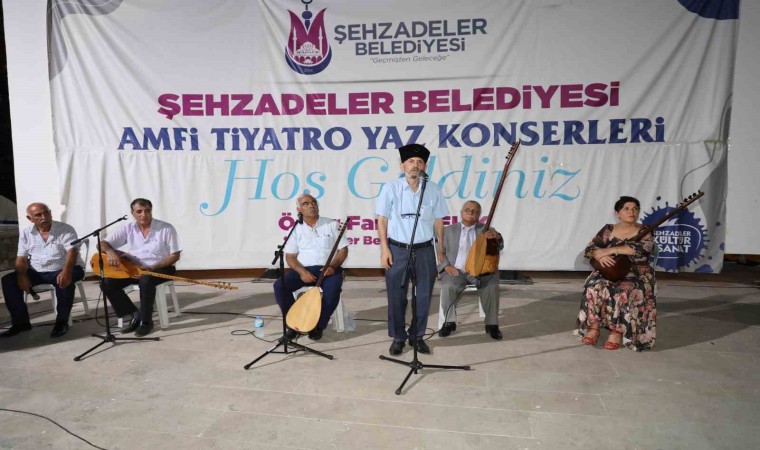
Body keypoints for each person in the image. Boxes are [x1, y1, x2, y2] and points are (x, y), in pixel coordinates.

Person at [376, 143, 448, 356]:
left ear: (425, 166)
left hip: (425, 251)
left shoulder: (433, 189)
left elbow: (439, 221)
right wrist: (384, 250)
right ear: (402, 166)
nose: (415, 165)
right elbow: (382, 220)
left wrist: (440, 249)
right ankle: (398, 337)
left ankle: (417, 336)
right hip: (397, 250)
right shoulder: (390, 188)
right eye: (410, 161)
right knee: (396, 296)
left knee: (423, 296)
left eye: (419, 162)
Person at [577, 196, 656, 351]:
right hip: (608, 271)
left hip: (636, 273)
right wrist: (599, 255)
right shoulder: (608, 229)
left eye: (635, 209)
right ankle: (593, 327)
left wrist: (610, 250)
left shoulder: (645, 230)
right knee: (593, 285)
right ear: (617, 213)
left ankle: (617, 331)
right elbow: (590, 249)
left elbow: (640, 249)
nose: (631, 212)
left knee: (623, 290)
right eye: (626, 209)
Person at [99, 198, 181, 337]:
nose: (144, 215)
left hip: (161, 267)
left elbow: (175, 255)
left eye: (147, 211)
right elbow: (102, 244)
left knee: (146, 280)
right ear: (132, 213)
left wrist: (152, 268)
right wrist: (110, 251)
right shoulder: (128, 228)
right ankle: (134, 314)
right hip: (135, 269)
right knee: (107, 282)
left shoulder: (166, 228)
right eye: (139, 212)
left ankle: (146, 321)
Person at [1, 202, 85, 338]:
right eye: (38, 215)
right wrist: (22, 276)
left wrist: (66, 271)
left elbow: (72, 252)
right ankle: (21, 323)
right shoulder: (26, 233)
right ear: (30, 218)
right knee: (8, 280)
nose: (44, 217)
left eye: (46, 212)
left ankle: (62, 322)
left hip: (66, 267)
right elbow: (21, 258)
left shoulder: (65, 229)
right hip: (38, 271)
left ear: (50, 213)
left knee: (64, 281)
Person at [273, 193, 349, 340]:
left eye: (313, 202)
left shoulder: (332, 224)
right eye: (306, 203)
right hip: (304, 270)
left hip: (328, 270)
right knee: (280, 286)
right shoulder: (295, 229)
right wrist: (302, 272)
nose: (311, 205)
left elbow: (343, 250)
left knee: (333, 290)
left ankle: (318, 326)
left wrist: (333, 266)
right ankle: (293, 324)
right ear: (299, 210)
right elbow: (290, 257)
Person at [437, 200, 504, 340]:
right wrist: (446, 266)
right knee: (448, 286)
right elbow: (439, 251)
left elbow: (499, 246)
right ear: (461, 212)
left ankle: (492, 324)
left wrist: (497, 236)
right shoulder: (448, 230)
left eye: (475, 211)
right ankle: (449, 322)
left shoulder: (486, 230)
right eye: (467, 209)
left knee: (491, 286)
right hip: (456, 271)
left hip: (480, 272)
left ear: (479, 215)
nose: (471, 212)